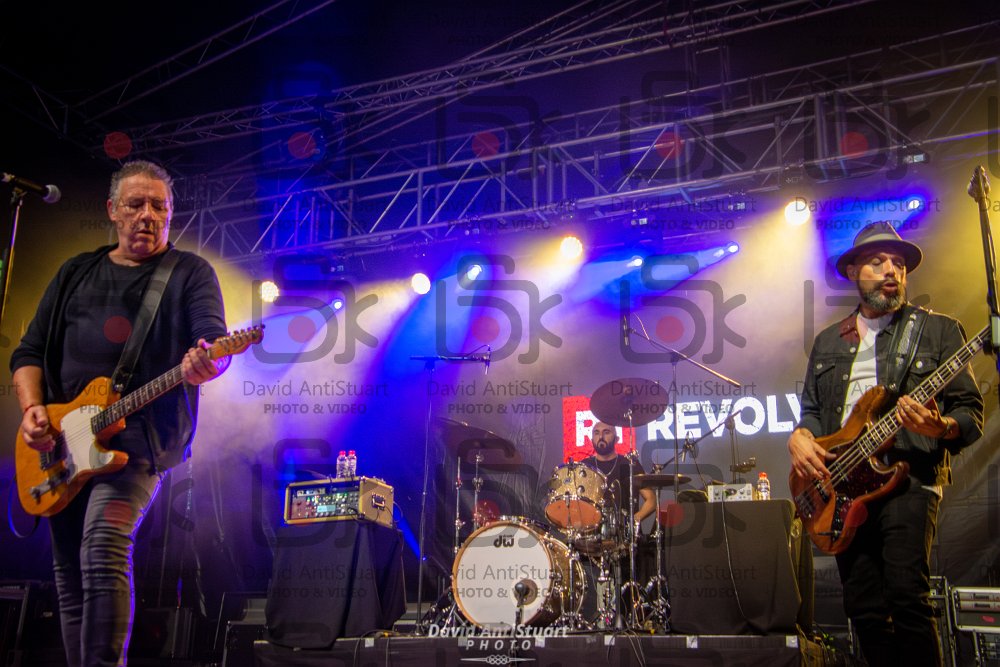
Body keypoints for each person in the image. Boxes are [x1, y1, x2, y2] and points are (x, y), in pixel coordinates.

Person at [10, 160, 228, 667]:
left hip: (139, 443)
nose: (148, 214)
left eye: (159, 206)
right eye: (136, 204)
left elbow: (213, 344)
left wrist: (207, 362)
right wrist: (33, 409)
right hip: (62, 443)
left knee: (103, 544)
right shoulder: (75, 271)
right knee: (68, 572)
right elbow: (28, 352)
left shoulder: (189, 272)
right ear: (112, 210)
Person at [788, 221, 983, 666]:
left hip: (908, 477)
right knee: (863, 606)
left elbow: (970, 412)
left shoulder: (937, 331)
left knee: (906, 596)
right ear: (853, 272)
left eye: (898, 263)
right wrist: (800, 437)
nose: (891, 270)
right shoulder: (828, 342)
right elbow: (813, 413)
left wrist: (940, 427)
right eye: (877, 263)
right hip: (842, 486)